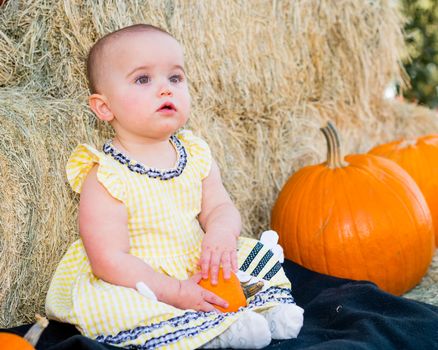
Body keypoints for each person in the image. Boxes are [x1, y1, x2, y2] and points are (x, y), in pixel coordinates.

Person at [45, 23, 303, 349]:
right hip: (140, 277)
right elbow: (109, 259)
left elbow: (219, 207)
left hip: (197, 260)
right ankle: (214, 333)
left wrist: (221, 234)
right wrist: (176, 291)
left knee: (250, 254)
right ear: (104, 107)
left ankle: (265, 309)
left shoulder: (194, 153)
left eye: (175, 78)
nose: (165, 89)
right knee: (113, 304)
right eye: (143, 79)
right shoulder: (106, 175)